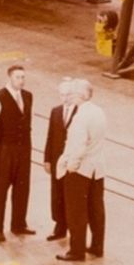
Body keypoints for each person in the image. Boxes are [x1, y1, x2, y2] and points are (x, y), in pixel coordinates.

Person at [54, 78, 107, 263]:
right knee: (96, 209)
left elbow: (78, 146)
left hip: (81, 170)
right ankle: (97, 246)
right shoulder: (99, 112)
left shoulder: (80, 117)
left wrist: (71, 166)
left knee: (76, 211)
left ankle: (76, 251)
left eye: (74, 93)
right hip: (97, 169)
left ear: (82, 95)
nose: (71, 96)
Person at [0, 63, 36, 242]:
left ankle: (18, 224)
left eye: (23, 77)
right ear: (9, 77)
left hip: (24, 148)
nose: (21, 81)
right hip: (4, 149)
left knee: (22, 187)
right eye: (18, 77)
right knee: (1, 189)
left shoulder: (28, 96)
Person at [43, 78, 75, 241]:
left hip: (72, 161)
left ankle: (72, 226)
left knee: (71, 194)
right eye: (62, 95)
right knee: (57, 194)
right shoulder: (55, 111)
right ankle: (59, 226)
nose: (66, 98)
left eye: (69, 94)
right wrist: (47, 159)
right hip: (57, 160)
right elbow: (50, 136)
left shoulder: (79, 111)